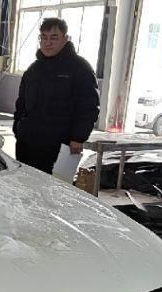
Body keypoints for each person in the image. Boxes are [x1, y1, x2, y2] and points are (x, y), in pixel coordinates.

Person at [13, 17, 100, 174]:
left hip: (60, 146)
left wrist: (78, 137)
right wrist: (18, 128)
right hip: (27, 144)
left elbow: (89, 106)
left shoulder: (80, 68)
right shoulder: (33, 69)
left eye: (54, 38)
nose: (47, 43)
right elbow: (21, 103)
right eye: (44, 37)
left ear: (65, 39)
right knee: (25, 184)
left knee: (54, 186)